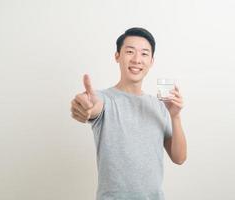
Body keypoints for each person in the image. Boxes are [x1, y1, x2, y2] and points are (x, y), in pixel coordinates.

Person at [70, 27, 187, 200]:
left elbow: (179, 158)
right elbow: (93, 107)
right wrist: (84, 106)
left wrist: (175, 116)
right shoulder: (104, 99)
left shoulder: (160, 106)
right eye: (130, 51)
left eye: (144, 54)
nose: (137, 59)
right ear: (117, 56)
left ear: (152, 61)